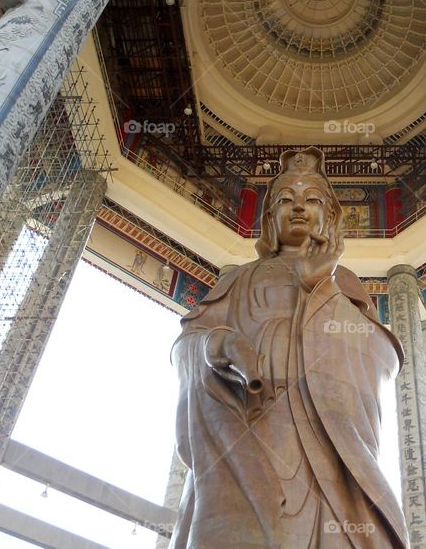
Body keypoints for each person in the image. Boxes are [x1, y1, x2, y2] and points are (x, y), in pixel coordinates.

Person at [171, 147, 408, 548]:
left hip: (322, 442)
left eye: (311, 200)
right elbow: (186, 348)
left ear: (330, 217)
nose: (298, 208)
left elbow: (380, 358)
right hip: (247, 424)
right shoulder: (240, 279)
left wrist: (322, 289)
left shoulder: (342, 282)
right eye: (285, 200)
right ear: (269, 219)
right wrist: (217, 344)